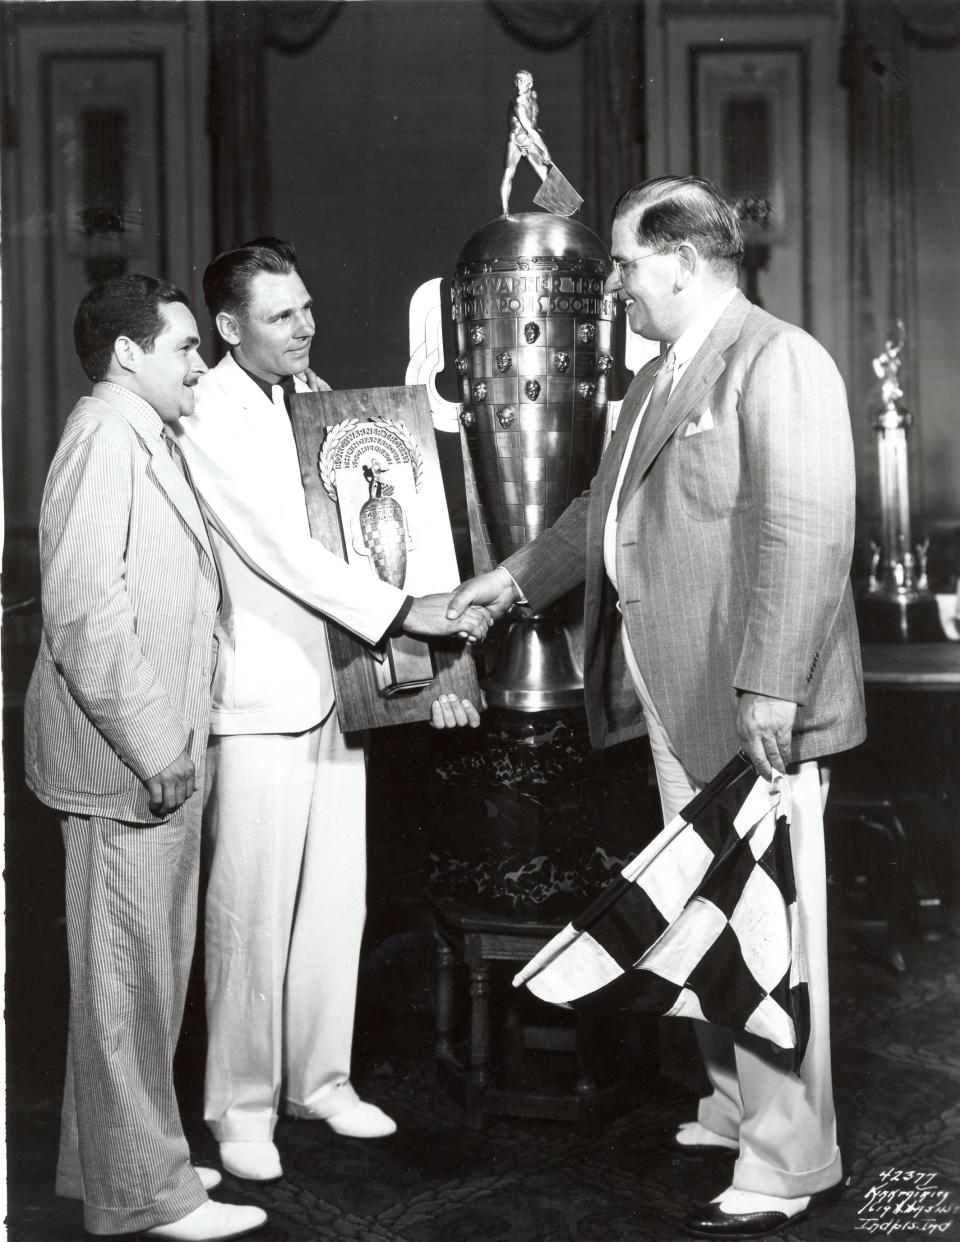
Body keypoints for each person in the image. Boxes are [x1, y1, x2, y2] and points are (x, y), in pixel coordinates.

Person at [447, 176, 866, 1239]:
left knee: (769, 926)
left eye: (628, 266)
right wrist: (510, 582)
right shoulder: (656, 381)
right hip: (672, 694)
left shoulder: (778, 359)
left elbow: (807, 530)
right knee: (712, 910)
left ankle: (787, 1163)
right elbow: (602, 512)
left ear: (681, 262)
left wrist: (772, 681)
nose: (619, 286)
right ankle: (733, 1111)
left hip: (751, 699)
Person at [173, 237, 487, 1183]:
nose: (305, 325)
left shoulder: (319, 399)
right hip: (261, 695)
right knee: (250, 912)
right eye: (280, 315)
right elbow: (279, 548)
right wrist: (401, 613)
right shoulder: (206, 414)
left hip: (343, 686)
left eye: (306, 306)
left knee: (335, 901)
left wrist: (428, 655)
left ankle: (322, 1077)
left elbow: (381, 526)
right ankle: (241, 1104)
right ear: (228, 328)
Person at [23, 276, 266, 1241]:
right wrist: (157, 742)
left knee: (139, 974)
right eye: (182, 348)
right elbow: (85, 611)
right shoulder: (103, 439)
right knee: (128, 979)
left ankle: (116, 1162)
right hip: (128, 760)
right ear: (128, 355)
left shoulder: (137, 434)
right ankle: (144, 1198)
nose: (199, 362)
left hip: (148, 753)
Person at [500, 69, 553, 217]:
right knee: (509, 172)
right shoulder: (518, 103)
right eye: (517, 81)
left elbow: (532, 124)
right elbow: (528, 128)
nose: (518, 84)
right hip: (515, 140)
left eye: (522, 81)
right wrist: (545, 150)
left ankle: (556, 205)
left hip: (528, 140)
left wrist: (538, 135)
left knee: (544, 173)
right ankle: (505, 209)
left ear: (530, 84)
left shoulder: (532, 99)